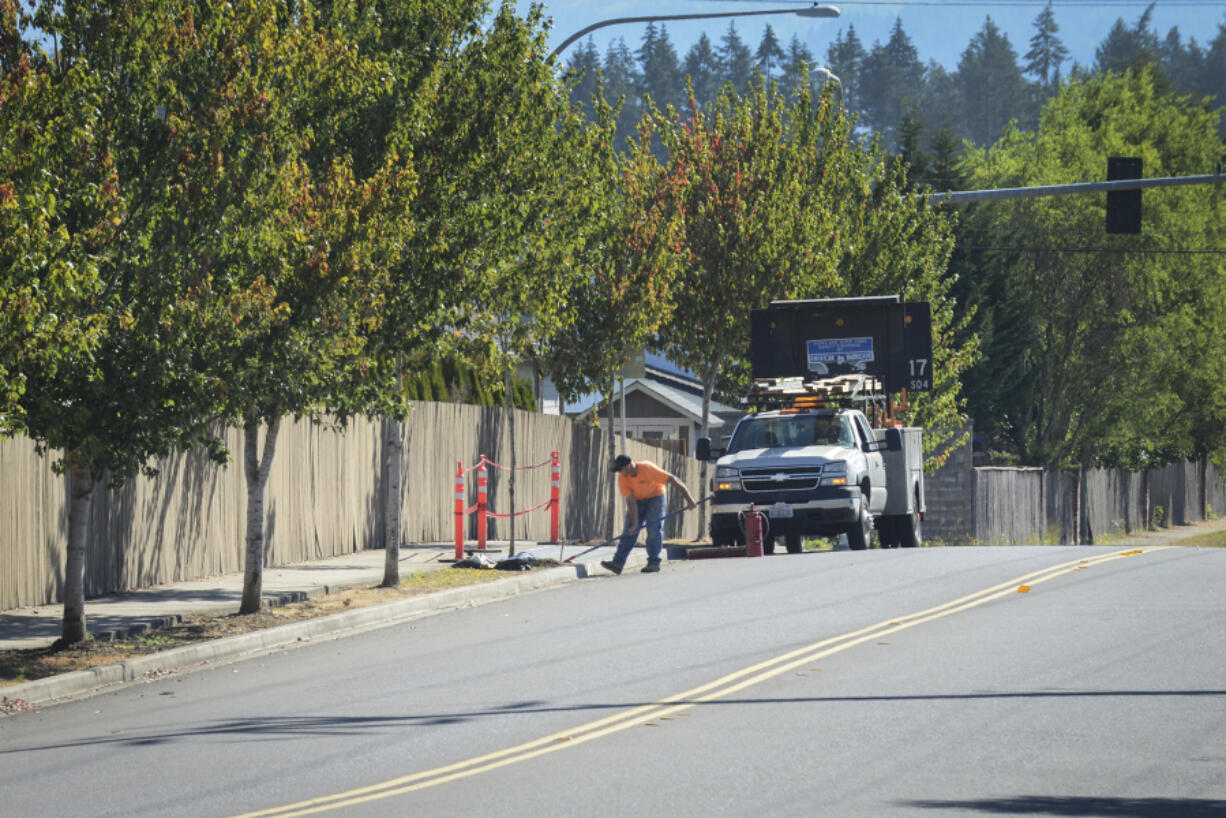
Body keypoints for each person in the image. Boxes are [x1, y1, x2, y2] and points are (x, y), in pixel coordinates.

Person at [602, 454, 697, 575]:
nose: (620, 472)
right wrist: (635, 523)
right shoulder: (622, 477)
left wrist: (689, 500)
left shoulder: (648, 469)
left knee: (654, 529)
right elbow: (630, 500)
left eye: (621, 469)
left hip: (656, 497)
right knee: (630, 530)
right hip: (637, 500)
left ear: (628, 466)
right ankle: (618, 563)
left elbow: (674, 479)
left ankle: (654, 562)